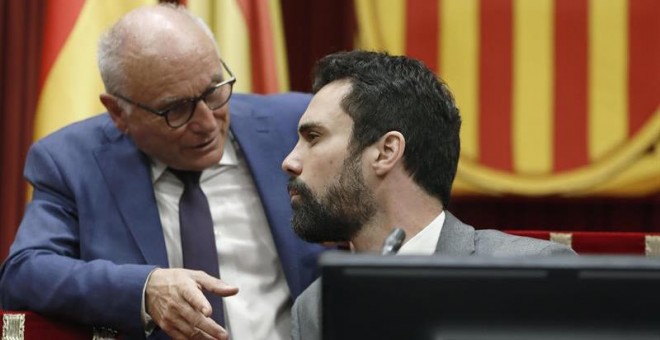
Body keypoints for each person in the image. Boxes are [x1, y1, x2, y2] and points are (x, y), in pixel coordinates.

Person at [0, 4, 323, 340]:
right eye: (177, 109)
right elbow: (24, 274)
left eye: (213, 91)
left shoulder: (297, 124)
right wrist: (144, 288)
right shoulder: (72, 162)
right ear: (118, 113)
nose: (207, 123)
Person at [281, 50, 576, 340]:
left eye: (313, 137)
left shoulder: (532, 275)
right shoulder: (314, 307)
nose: (290, 162)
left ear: (386, 152)